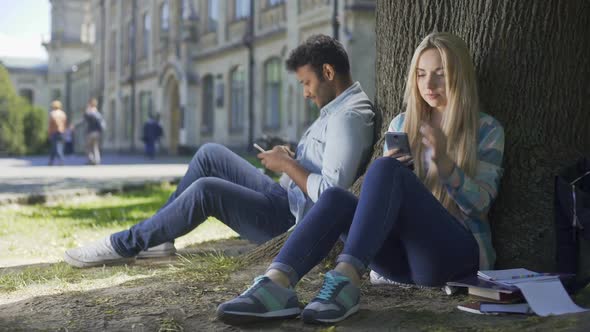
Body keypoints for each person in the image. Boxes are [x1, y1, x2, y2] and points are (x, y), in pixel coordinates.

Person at [217, 32, 505, 325]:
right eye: (421, 75)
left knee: (384, 169)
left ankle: (345, 281)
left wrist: (445, 164)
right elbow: (388, 200)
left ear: (460, 77)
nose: (428, 85)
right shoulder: (403, 124)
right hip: (403, 261)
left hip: (452, 256)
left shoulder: (486, 130)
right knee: (336, 197)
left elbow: (480, 205)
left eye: (440, 75)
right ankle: (276, 284)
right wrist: (396, 178)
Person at [64, 34, 376, 268]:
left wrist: (287, 166)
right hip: (285, 197)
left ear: (329, 73)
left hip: (289, 220)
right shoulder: (337, 107)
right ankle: (158, 235)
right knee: (209, 153)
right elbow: (324, 164)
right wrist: (292, 157)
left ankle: (125, 243)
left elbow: (332, 195)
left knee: (206, 191)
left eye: (307, 83)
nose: (306, 92)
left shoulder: (348, 118)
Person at [84, 98, 105, 165]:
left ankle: (91, 160)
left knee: (88, 147)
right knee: (95, 146)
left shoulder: (90, 112)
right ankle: (97, 160)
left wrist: (87, 110)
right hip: (97, 132)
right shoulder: (98, 113)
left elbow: (85, 118)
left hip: (91, 132)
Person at [47, 100, 67, 166]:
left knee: (56, 147)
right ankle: (51, 161)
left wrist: (49, 132)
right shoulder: (63, 113)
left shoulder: (53, 113)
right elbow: (64, 123)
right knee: (58, 146)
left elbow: (51, 124)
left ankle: (60, 161)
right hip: (62, 132)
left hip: (54, 132)